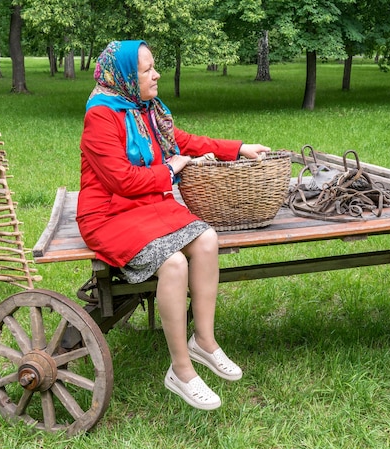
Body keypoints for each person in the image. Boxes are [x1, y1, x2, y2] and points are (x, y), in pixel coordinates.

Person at [77, 40, 271, 410]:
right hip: (108, 215)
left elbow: (180, 141)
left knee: (207, 240)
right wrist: (170, 168)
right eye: (147, 69)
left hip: (148, 205)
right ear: (124, 77)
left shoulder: (143, 109)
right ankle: (180, 371)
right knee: (175, 262)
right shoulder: (101, 115)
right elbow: (121, 180)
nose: (156, 74)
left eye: (155, 67)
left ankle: (204, 342)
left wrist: (238, 147)